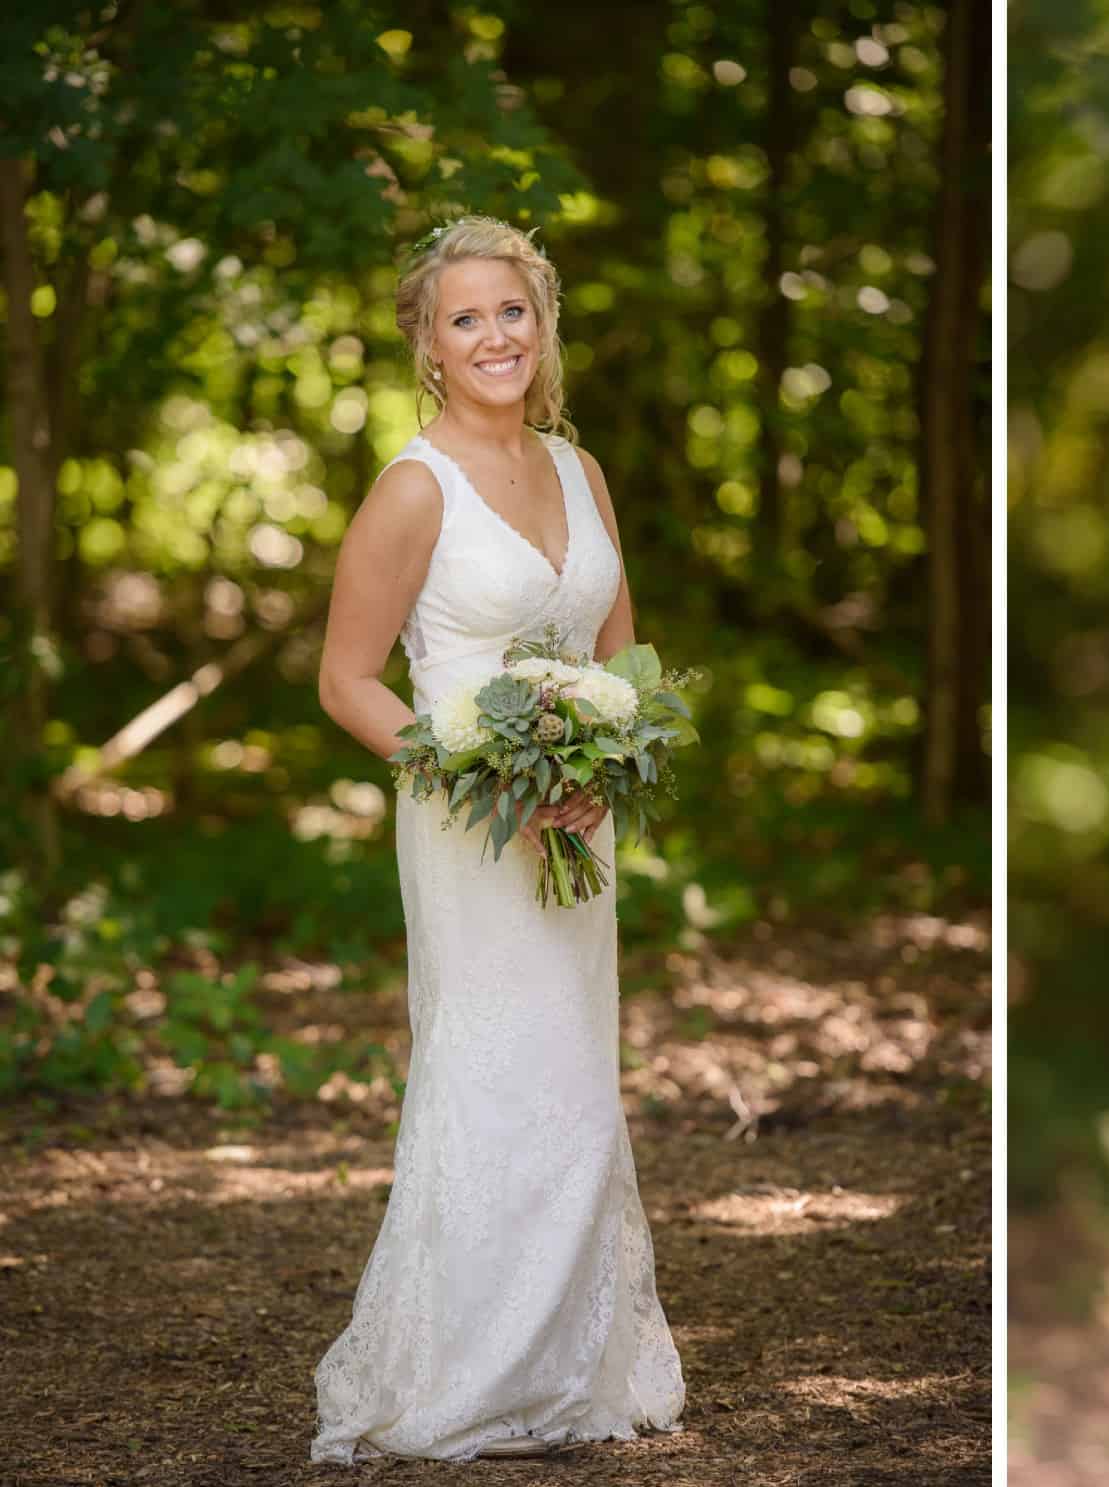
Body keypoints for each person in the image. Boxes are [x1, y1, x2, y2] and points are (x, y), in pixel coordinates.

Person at [310, 217, 685, 1462]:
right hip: (470, 824)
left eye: (511, 312)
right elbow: (348, 680)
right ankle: (464, 1366)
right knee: (489, 1068)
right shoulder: (413, 486)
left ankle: (571, 1358)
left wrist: (603, 765)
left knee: (575, 1070)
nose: (494, 337)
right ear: (428, 343)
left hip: (574, 822)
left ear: (544, 324)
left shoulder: (579, 470)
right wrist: (482, 776)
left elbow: (619, 655)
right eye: (464, 318)